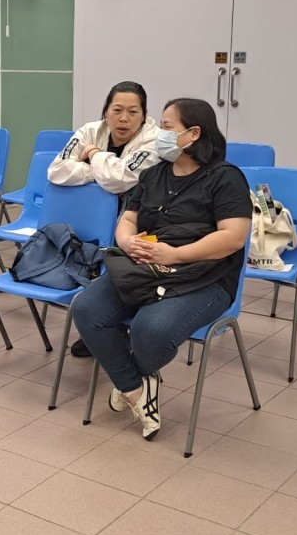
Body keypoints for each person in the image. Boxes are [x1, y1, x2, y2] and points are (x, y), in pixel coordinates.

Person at [69, 98, 251, 440]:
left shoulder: (225, 178)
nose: (159, 134)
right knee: (87, 309)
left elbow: (233, 237)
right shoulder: (153, 174)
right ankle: (136, 389)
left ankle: (128, 381)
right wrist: (127, 242)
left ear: (193, 133)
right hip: (145, 268)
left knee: (150, 330)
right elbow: (128, 221)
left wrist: (175, 255)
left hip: (205, 277)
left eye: (167, 127)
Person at [49, 81, 163, 359]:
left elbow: (121, 179)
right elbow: (57, 171)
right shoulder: (89, 131)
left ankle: (118, 327)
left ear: (144, 115)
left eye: (133, 112)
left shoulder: (153, 139)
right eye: (117, 110)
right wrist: (101, 173)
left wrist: (93, 155)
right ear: (106, 111)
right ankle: (97, 327)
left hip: (140, 222)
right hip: (93, 218)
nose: (124, 119)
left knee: (121, 263)